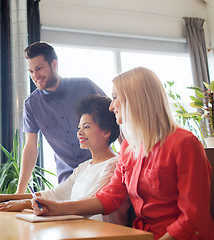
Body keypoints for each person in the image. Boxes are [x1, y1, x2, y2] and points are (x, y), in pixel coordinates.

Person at [31, 67, 214, 240]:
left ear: (136, 100)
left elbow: (193, 217)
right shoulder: (128, 148)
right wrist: (57, 208)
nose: (111, 107)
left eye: (115, 98)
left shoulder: (184, 143)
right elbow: (109, 197)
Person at [0, 95, 129, 225]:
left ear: (107, 132)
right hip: (79, 231)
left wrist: (25, 204)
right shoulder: (84, 167)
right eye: (79, 127)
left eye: (86, 127)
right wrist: (4, 197)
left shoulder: (113, 165)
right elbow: (53, 194)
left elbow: (85, 204)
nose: (79, 133)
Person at [17, 41, 105, 193]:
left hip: (100, 169)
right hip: (68, 178)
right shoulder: (31, 104)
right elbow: (31, 147)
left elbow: (115, 118)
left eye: (39, 69)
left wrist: (127, 160)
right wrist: (19, 192)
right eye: (31, 71)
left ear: (54, 64)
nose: (35, 76)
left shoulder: (85, 86)